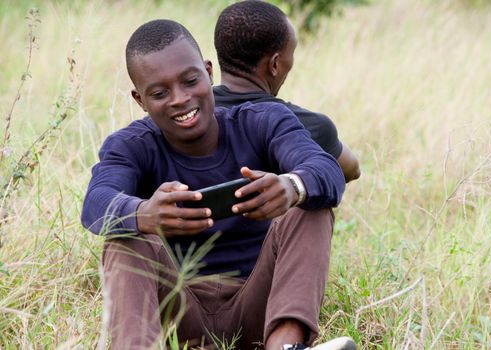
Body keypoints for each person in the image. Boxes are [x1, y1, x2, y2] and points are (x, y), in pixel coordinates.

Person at [81, 19, 356, 350]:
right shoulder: (131, 145)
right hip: (181, 312)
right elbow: (96, 202)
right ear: (140, 99)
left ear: (209, 73)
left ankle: (285, 346)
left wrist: (290, 187)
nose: (180, 99)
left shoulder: (263, 121)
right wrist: (143, 213)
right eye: (159, 93)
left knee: (310, 204)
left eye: (190, 81)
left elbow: (326, 168)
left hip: (259, 304)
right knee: (125, 239)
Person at [213, 0, 360, 184]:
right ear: (274, 64)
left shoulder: (188, 114)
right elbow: (351, 170)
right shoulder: (307, 125)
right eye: (291, 52)